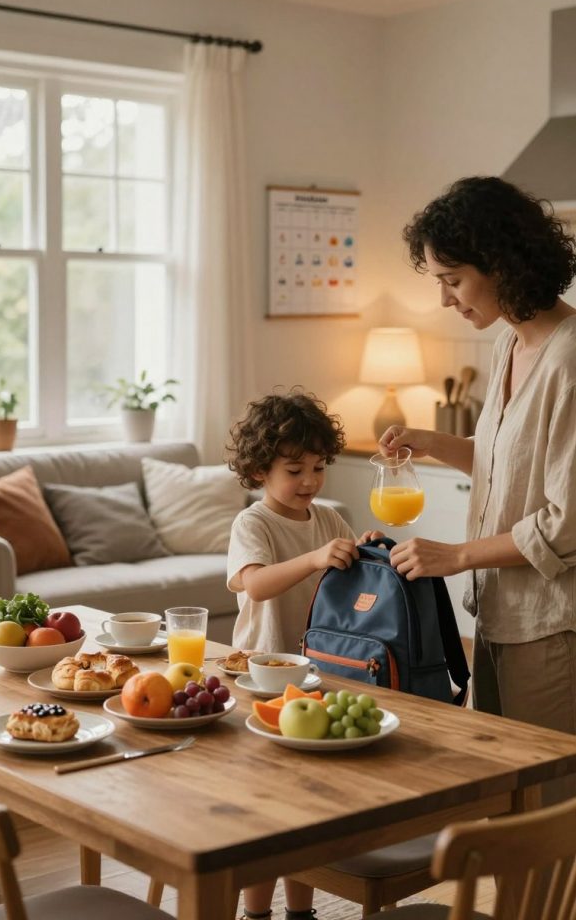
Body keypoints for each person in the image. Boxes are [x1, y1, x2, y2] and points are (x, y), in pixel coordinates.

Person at [379, 176, 576, 785]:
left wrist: (458, 554)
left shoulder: (571, 359)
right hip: (497, 616)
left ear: (503, 263)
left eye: (453, 278)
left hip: (553, 625)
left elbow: (566, 524)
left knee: (548, 813)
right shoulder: (511, 345)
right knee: (504, 800)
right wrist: (437, 444)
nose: (445, 299)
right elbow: (510, 466)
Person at [226, 388, 380, 920]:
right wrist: (315, 557)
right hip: (263, 678)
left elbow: (349, 581)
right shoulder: (254, 523)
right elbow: (256, 586)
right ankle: (256, 913)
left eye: (318, 467)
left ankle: (300, 913)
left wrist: (367, 552)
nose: (310, 481)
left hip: (314, 678)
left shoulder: (330, 519)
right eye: (294, 469)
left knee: (303, 812)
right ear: (258, 471)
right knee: (264, 812)